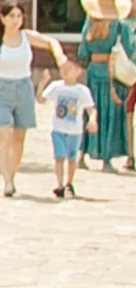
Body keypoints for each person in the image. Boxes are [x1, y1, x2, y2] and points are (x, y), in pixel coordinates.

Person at [0, 1, 63, 200]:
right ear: (3, 18)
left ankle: (12, 176)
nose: (16, 20)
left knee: (18, 138)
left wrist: (60, 57)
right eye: (12, 16)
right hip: (2, 88)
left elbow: (50, 42)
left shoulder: (27, 37)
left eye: (19, 16)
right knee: (4, 135)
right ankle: (6, 180)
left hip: (23, 87)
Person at [72, 0, 129, 175]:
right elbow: (127, 48)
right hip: (112, 73)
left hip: (93, 71)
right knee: (110, 114)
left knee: (89, 112)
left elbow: (82, 52)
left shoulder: (89, 24)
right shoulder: (119, 26)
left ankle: (81, 155)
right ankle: (106, 158)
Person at [51, 59, 96, 199]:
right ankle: (59, 184)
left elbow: (90, 108)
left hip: (75, 130)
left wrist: (92, 120)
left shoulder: (82, 90)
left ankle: (69, 183)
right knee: (59, 157)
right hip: (58, 128)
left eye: (70, 68)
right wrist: (41, 86)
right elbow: (42, 99)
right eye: (63, 67)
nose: (65, 70)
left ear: (78, 71)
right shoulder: (56, 86)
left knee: (71, 158)